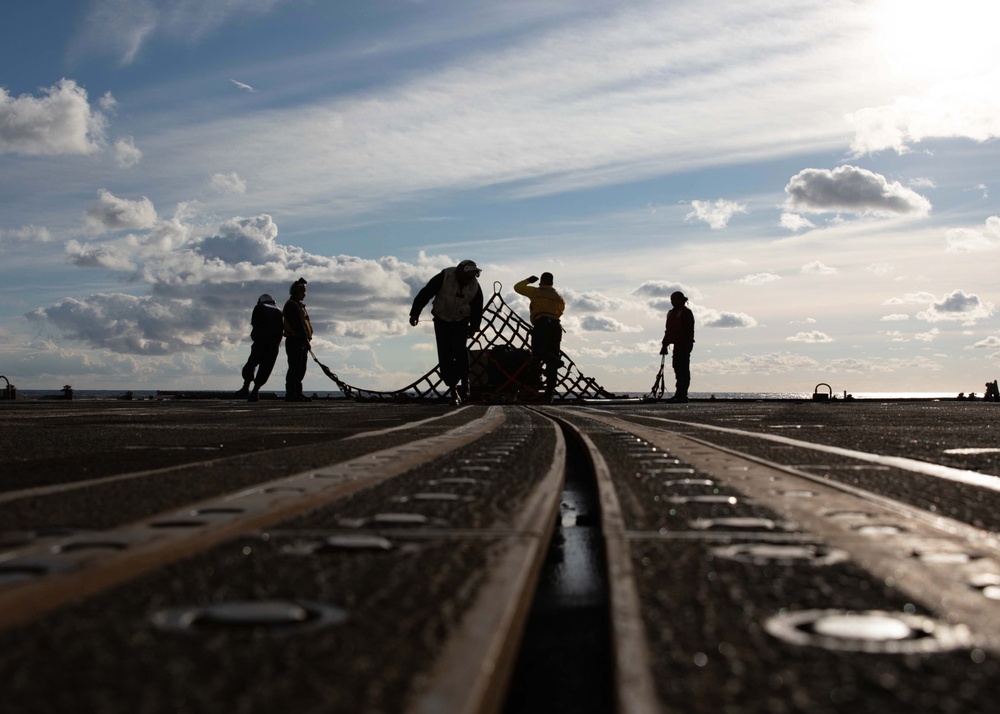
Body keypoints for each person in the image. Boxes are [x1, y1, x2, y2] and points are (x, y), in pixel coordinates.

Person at [409, 260, 484, 405]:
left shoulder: (474, 286)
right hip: (441, 320)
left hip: (461, 320)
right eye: (468, 275)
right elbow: (426, 292)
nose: (470, 278)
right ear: (460, 272)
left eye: (473, 275)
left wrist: (474, 328)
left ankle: (464, 382)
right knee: (445, 355)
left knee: (460, 351)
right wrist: (415, 313)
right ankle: (453, 390)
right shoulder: (445, 276)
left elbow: (477, 307)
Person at [514, 272, 565, 402]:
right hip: (556, 326)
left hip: (542, 323)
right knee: (552, 360)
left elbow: (517, 287)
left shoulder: (536, 291)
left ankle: (553, 361)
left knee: (538, 351)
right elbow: (561, 310)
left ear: (541, 282)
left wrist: (528, 280)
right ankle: (549, 394)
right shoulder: (558, 296)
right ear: (552, 283)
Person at [236, 293, 284, 402]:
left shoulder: (259, 308)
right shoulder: (279, 311)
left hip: (260, 342)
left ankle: (246, 387)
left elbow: (255, 325)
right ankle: (255, 391)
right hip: (274, 344)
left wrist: (255, 337)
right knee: (265, 368)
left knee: (251, 364)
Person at [660, 291, 695, 403]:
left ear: (679, 299)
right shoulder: (672, 313)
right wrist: (665, 344)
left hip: (684, 344)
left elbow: (688, 330)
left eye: (673, 299)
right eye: (671, 299)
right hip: (677, 344)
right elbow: (668, 330)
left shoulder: (686, 312)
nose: (671, 301)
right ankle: (679, 393)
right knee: (677, 368)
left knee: (683, 369)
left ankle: (682, 394)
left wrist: (684, 343)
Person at [282, 278, 313, 402]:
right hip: (295, 340)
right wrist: (304, 339)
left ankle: (297, 392)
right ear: (296, 292)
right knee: (294, 367)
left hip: (301, 341)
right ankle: (291, 393)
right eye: (303, 292)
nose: (304, 294)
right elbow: (297, 325)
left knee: (301, 368)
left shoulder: (299, 306)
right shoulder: (291, 305)